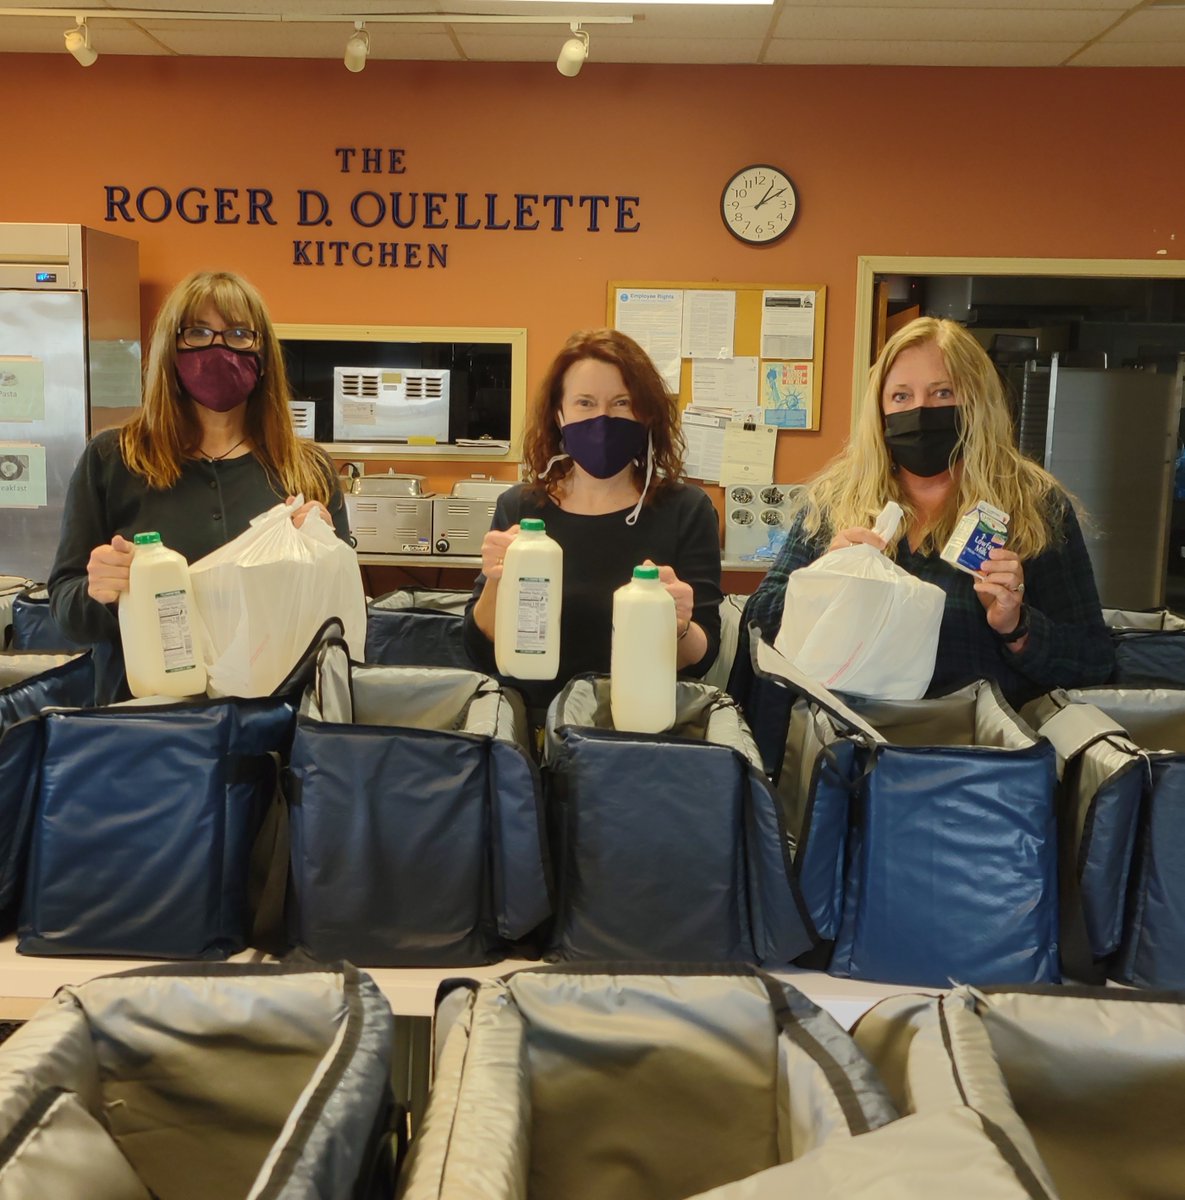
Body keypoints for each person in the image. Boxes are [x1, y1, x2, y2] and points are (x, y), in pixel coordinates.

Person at [746, 316, 1114, 708]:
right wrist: (821, 583)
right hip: (848, 748)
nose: (921, 411)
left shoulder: (1034, 506)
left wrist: (1017, 627)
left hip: (974, 753)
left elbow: (1093, 661)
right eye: (901, 397)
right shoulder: (835, 500)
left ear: (978, 401)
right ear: (880, 409)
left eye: (943, 393)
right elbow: (758, 622)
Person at [48, 269, 351, 696]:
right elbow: (65, 611)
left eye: (239, 334)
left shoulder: (308, 470)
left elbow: (337, 621)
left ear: (264, 354)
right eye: (198, 333)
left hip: (273, 729)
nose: (219, 348)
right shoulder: (112, 460)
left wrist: (324, 554)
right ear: (172, 350)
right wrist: (98, 591)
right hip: (148, 729)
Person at [462, 328, 723, 714]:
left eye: (621, 402)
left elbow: (702, 656)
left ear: (646, 414)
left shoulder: (686, 510)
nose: (603, 419)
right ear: (559, 414)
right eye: (585, 402)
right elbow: (479, 648)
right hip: (531, 730)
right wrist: (497, 581)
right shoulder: (521, 508)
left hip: (633, 732)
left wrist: (680, 624)